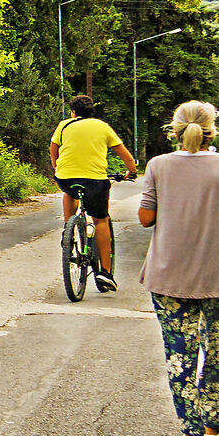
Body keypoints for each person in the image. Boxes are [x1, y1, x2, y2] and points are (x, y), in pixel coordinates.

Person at [136, 100, 219, 436]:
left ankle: (192, 435)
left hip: (170, 273)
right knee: (217, 350)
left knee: (179, 353)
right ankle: (214, 423)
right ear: (210, 130)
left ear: (174, 130)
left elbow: (145, 218)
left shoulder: (158, 165)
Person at [49, 95, 139, 291]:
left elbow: (53, 148)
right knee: (100, 220)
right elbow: (124, 154)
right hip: (94, 181)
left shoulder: (64, 126)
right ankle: (105, 273)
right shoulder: (102, 127)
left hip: (65, 177)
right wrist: (131, 172)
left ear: (73, 112)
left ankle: (68, 228)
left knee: (70, 191)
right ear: (92, 111)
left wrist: (57, 167)